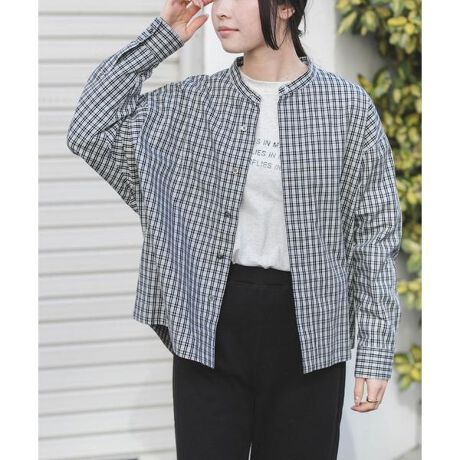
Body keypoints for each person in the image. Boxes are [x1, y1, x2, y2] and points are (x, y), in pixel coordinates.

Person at [66, 0, 403, 458]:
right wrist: (162, 37)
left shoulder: (346, 108)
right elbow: (89, 128)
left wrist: (375, 350)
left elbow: (374, 234)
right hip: (209, 327)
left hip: (311, 333)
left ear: (285, 7)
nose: (221, 11)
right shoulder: (190, 105)